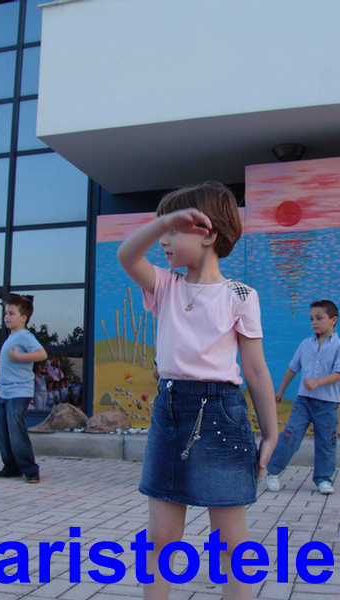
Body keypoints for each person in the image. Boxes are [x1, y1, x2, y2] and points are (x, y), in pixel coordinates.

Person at [117, 182, 277, 600]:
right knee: (161, 537)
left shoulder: (240, 295)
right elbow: (126, 255)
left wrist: (271, 432)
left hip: (224, 415)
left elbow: (256, 369)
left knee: (231, 542)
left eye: (174, 230)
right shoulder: (165, 286)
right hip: (171, 411)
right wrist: (165, 221)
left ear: (207, 234)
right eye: (162, 229)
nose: (164, 240)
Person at [265, 300, 340, 495]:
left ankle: (323, 479)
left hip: (328, 404)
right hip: (304, 401)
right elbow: (292, 369)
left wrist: (318, 382)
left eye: (319, 318)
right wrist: (280, 391)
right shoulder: (305, 344)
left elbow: (339, 373)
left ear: (333, 320)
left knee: (326, 441)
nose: (314, 322)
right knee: (290, 435)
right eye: (311, 319)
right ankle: (273, 472)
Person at [0, 294, 47, 484]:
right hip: (5, 392)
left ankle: (31, 471)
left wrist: (19, 358)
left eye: (11, 313)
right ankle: (11, 467)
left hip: (19, 392)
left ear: (23, 317)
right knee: (4, 432)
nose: (7, 317)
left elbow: (42, 354)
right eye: (6, 313)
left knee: (16, 432)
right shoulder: (12, 337)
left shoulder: (25, 336)